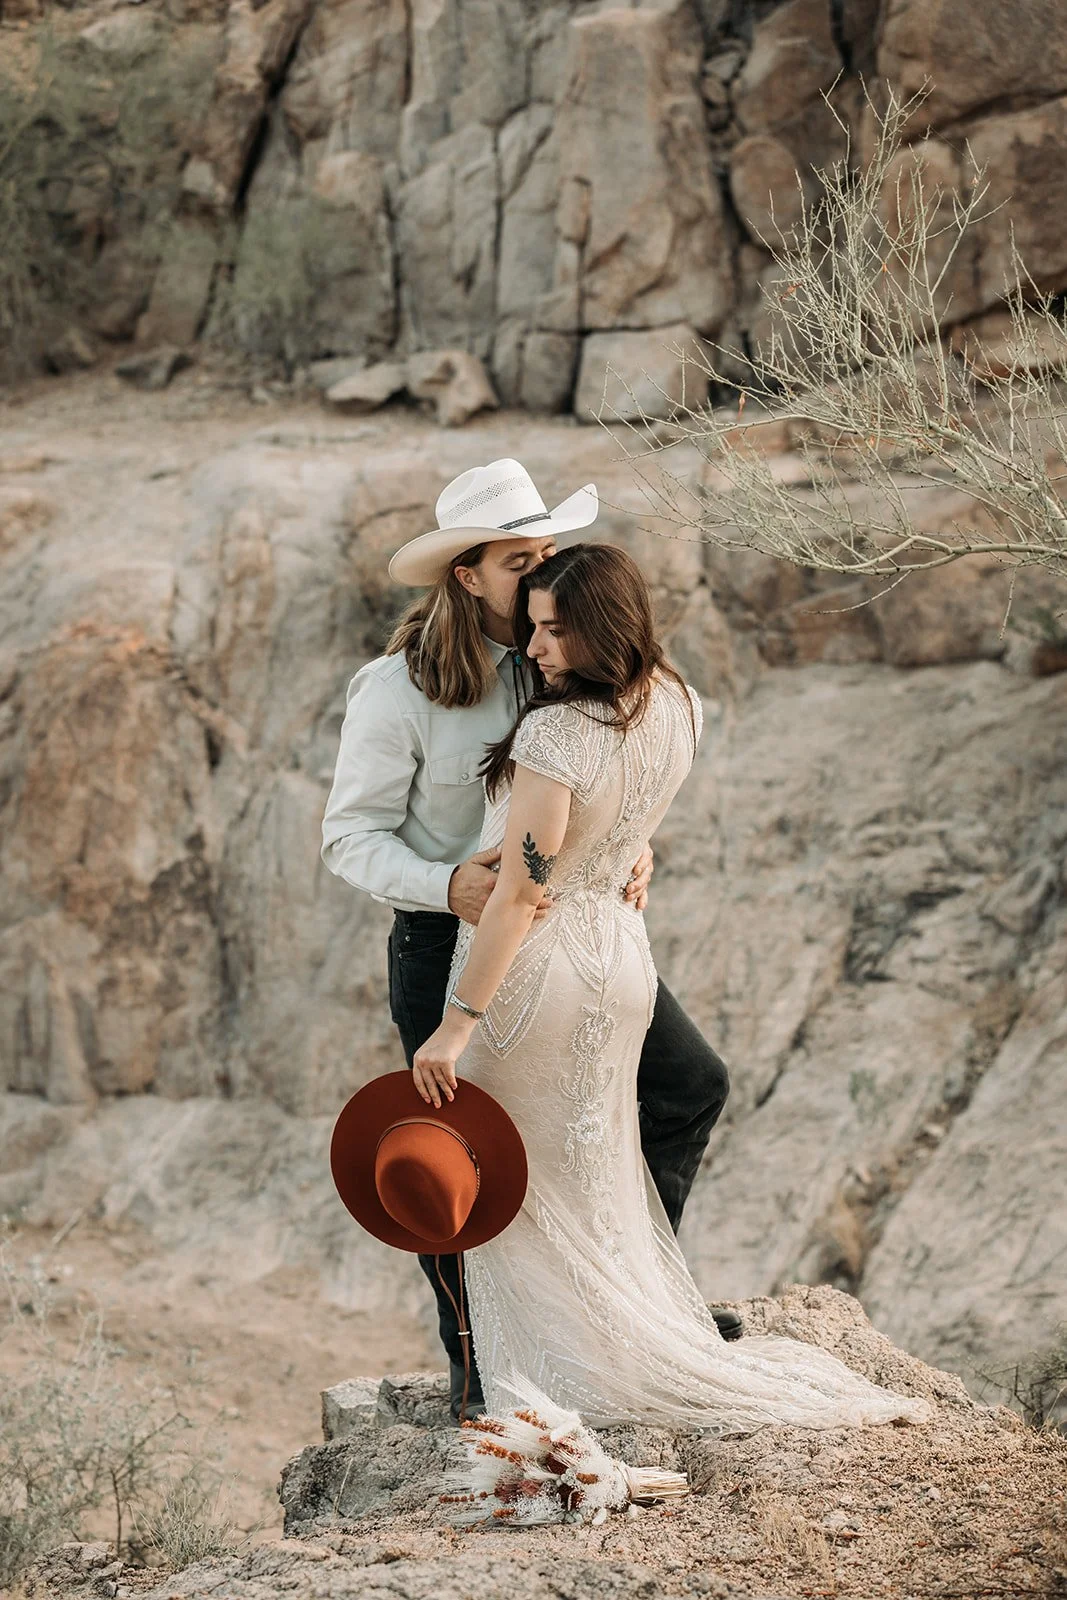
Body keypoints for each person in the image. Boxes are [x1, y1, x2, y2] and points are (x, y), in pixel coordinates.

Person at [410, 541, 931, 1433]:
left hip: (538, 981)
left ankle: (555, 1371)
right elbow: (618, 828)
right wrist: (612, 850)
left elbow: (524, 894)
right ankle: (616, 1336)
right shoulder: (677, 702)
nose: (534, 650)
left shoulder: (556, 731)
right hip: (621, 962)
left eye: (553, 632)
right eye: (532, 627)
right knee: (591, 1164)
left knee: (522, 1185)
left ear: (601, 627)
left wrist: (455, 1026)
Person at [321, 458, 737, 1424]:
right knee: (454, 1153)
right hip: (446, 941)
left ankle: (633, 1307)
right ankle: (473, 1364)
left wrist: (636, 846)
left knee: (685, 1088)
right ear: (468, 576)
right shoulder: (397, 690)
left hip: (562, 935)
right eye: (520, 559)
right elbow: (348, 837)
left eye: (546, 551)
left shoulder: (571, 651)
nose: (542, 570)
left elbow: (602, 768)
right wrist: (444, 883)